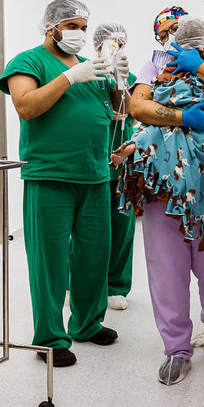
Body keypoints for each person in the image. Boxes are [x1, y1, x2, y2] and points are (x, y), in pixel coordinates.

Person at [0, 0, 130, 367]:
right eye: (72, 26)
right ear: (51, 27)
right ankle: (50, 338)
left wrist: (119, 79)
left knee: (93, 257)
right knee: (50, 261)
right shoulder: (29, 62)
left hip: (95, 173)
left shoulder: (92, 66)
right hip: (50, 175)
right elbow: (26, 106)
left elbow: (121, 113)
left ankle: (87, 323)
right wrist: (69, 77)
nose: (80, 34)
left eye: (84, 27)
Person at [124, 16, 204, 385]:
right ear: (159, 37)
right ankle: (176, 348)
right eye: (167, 31)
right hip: (164, 183)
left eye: (181, 28)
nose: (176, 36)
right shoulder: (152, 66)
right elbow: (138, 108)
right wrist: (183, 118)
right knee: (166, 269)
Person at [88, 21, 136, 311]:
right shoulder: (87, 74)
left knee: (121, 226)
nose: (115, 48)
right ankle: (77, 283)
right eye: (110, 43)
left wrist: (122, 83)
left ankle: (116, 286)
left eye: (120, 44)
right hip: (93, 156)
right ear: (97, 45)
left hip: (123, 161)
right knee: (87, 229)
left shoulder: (127, 76)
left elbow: (130, 110)